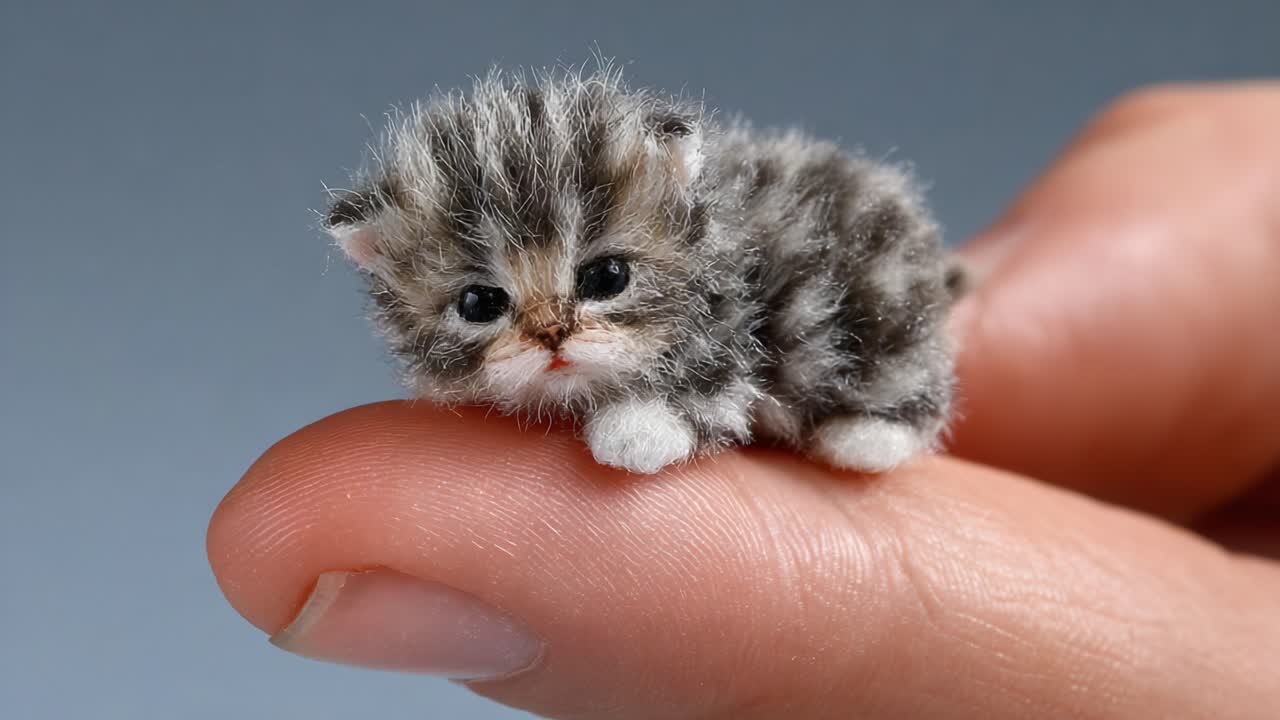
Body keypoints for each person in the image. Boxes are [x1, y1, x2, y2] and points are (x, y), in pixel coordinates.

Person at [207, 82, 1280, 719]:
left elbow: (712, 355)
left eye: (600, 280)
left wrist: (675, 413)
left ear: (670, 211)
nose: (550, 335)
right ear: (385, 272)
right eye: (484, 304)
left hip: (844, 288)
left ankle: (897, 409)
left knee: (845, 351)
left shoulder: (725, 273)